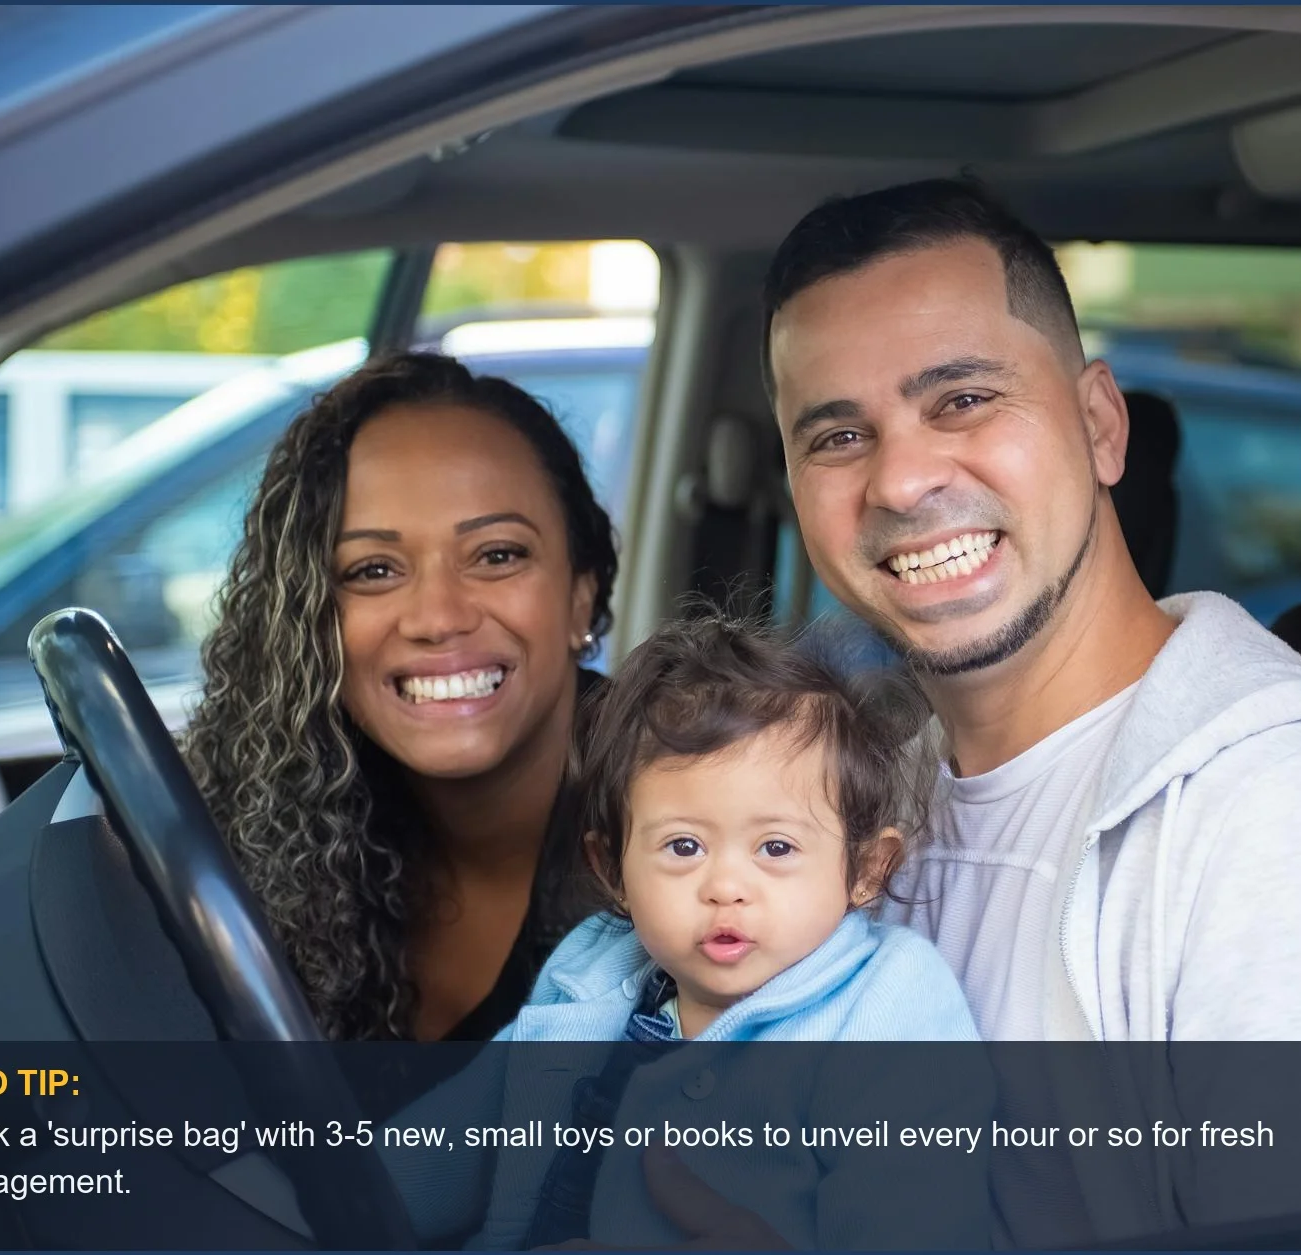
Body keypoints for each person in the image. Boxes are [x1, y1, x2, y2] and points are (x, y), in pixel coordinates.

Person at [752, 176, 1301, 1239]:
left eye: (961, 400)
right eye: (838, 436)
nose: (900, 480)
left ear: (1100, 425)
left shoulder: (1296, 833)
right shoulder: (866, 810)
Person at [383, 612, 988, 1250]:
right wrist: (327, 1198)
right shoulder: (593, 970)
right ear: (613, 869)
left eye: (776, 847)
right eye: (683, 846)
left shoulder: (889, 1006)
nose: (725, 886)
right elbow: (446, 1143)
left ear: (866, 870)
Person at [183, 352, 618, 1045]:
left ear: (580, 596)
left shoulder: (709, 838)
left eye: (497, 555)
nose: (438, 617)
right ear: (309, 622)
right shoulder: (285, 822)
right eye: (374, 570)